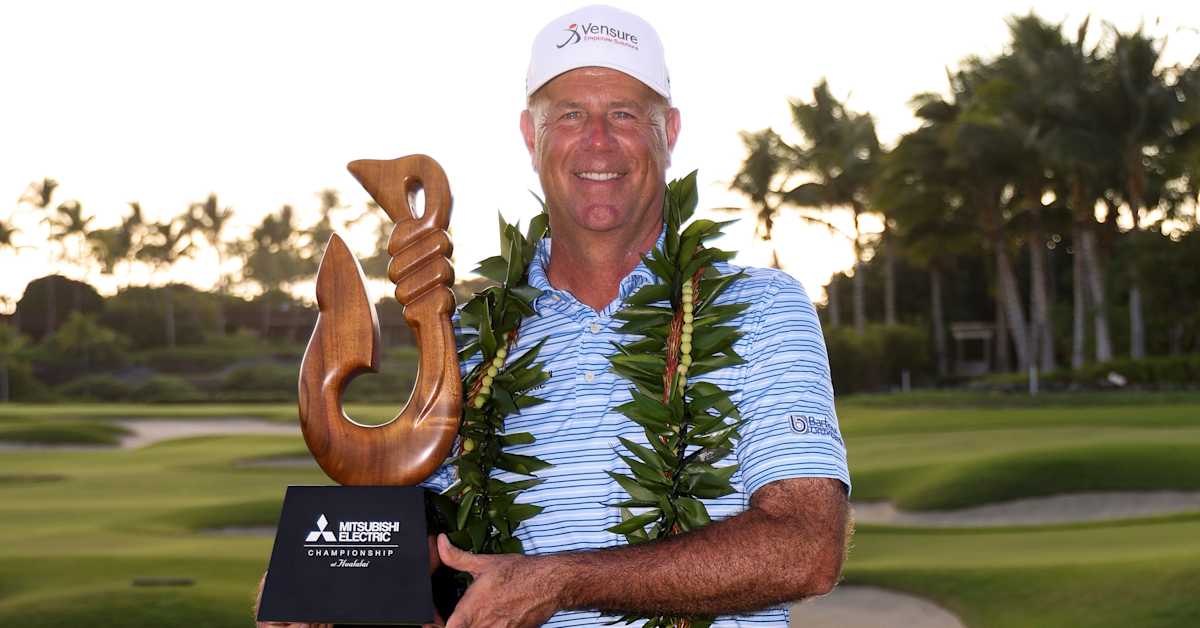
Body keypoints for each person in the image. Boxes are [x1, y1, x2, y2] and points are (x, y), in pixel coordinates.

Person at [259, 5, 849, 627]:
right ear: (529, 133)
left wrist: (562, 581)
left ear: (669, 132)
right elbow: (421, 540)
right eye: (570, 114)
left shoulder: (759, 308)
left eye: (624, 113)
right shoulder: (471, 340)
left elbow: (807, 549)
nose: (598, 140)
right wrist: (316, 583)